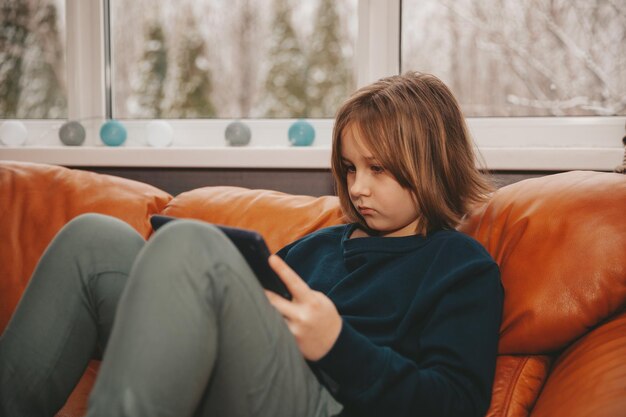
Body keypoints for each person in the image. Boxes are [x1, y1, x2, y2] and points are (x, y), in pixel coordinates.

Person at [0, 72, 503, 417]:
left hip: (330, 405)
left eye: (379, 170)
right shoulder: (319, 246)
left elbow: (455, 402)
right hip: (239, 381)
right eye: (350, 168)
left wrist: (338, 346)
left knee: (194, 247)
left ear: (431, 164)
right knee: (94, 239)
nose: (357, 187)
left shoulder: (460, 266)